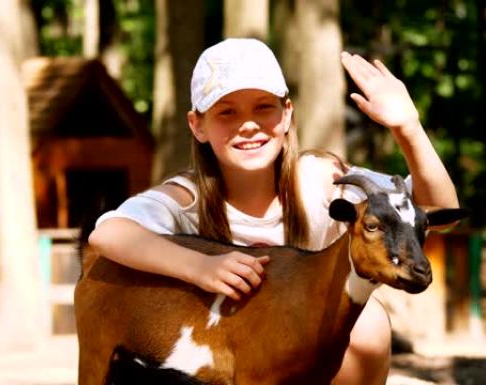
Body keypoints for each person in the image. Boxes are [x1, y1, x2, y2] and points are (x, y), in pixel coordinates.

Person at [89, 38, 459, 385]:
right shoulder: (187, 199)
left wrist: (408, 128)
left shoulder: (323, 179)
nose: (247, 124)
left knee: (369, 325)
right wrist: (199, 267)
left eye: (263, 107)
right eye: (226, 112)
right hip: (219, 363)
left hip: (311, 360)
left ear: (286, 114)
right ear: (197, 125)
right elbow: (108, 233)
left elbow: (438, 211)